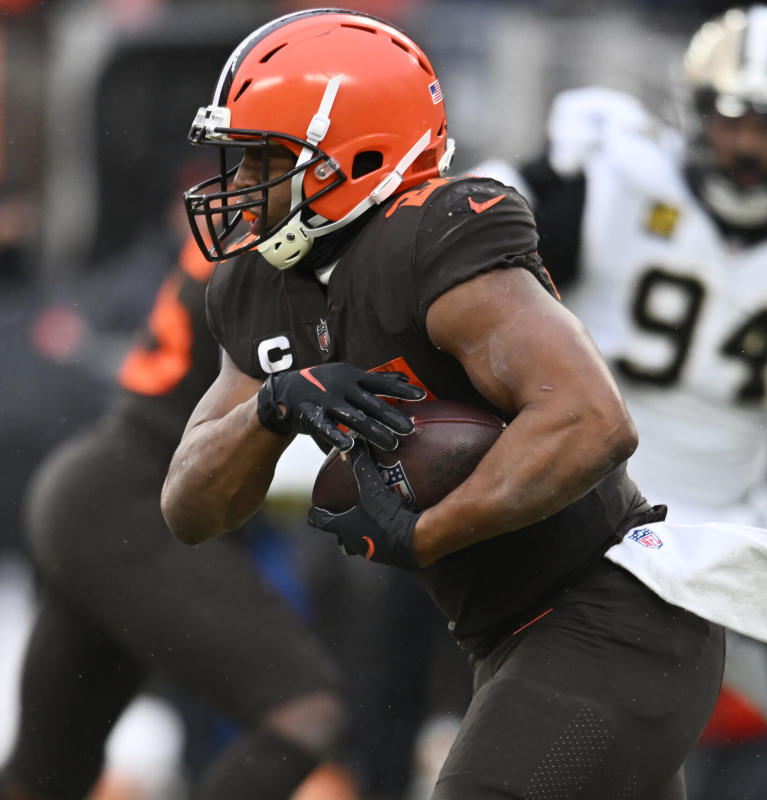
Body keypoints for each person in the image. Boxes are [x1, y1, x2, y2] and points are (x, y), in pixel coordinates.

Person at [161, 9, 727, 799]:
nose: (241, 186)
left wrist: (425, 532)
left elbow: (592, 423)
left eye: (267, 160)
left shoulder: (435, 241)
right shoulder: (259, 291)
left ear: (356, 154)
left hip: (614, 617)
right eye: (241, 160)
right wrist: (271, 410)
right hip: (510, 638)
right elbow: (189, 508)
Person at [477, 6, 767, 799]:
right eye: (731, 118)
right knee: (582, 754)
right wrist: (522, 178)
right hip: (588, 512)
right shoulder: (614, 171)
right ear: (694, 112)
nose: (747, 144)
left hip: (736, 524)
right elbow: (472, 246)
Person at [0, 235, 355, 798]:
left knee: (45, 777)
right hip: (134, 500)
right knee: (304, 710)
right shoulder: (289, 239)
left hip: (95, 493)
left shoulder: (252, 233)